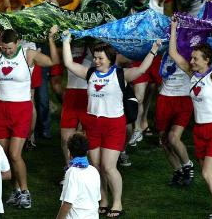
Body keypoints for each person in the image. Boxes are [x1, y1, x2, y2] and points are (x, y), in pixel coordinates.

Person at [62, 31, 161, 218]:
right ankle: (104, 199)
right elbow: (68, 63)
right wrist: (66, 41)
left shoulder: (120, 74)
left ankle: (117, 202)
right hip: (93, 124)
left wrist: (154, 50)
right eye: (95, 57)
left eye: (100, 58)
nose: (96, 61)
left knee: (109, 166)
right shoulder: (90, 73)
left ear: (110, 59)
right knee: (96, 164)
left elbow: (141, 70)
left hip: (114, 125)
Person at [0, 20, 59, 209]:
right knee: (4, 156)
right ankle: (16, 190)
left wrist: (50, 39)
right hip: (0, 108)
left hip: (21, 110)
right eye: (4, 47)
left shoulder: (28, 54)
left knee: (15, 154)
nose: (7, 51)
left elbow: (53, 61)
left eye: (9, 48)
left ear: (17, 43)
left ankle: (25, 192)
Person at [169, 18, 212, 219]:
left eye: (196, 58)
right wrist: (173, 29)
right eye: (192, 58)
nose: (192, 61)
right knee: (211, 172)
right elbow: (173, 54)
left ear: (207, 60)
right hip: (200, 130)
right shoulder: (192, 74)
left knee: (207, 173)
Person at [155, 55, 194, 186]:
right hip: (164, 99)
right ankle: (178, 170)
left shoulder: (189, 49)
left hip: (183, 98)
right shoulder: (164, 49)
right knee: (164, 141)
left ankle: (188, 165)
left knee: (173, 137)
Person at [56, 133, 101, 219]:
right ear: (87, 151)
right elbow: (97, 198)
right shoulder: (94, 170)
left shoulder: (72, 172)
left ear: (69, 153)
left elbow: (67, 203)